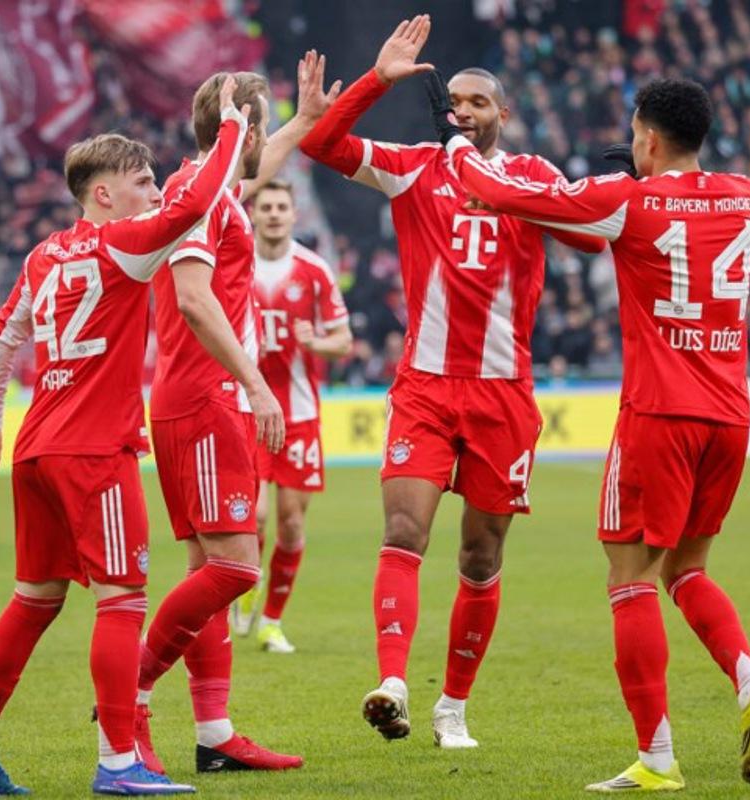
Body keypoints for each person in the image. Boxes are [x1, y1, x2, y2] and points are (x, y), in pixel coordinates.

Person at [429, 73, 750, 791]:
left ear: (647, 138)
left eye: (633, 134)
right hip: (730, 415)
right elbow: (685, 212)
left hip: (659, 414)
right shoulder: (749, 197)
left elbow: (508, 196)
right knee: (688, 570)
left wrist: (459, 148)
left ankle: (657, 759)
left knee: (629, 581)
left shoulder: (627, 200)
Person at [0, 78, 250, 797]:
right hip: (93, 453)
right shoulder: (123, 247)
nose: (152, 193)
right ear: (102, 194)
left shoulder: (44, 256)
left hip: (38, 448)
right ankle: (118, 765)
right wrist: (230, 129)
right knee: (122, 600)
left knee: (33, 600)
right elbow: (197, 203)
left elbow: (2, 333)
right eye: (140, 182)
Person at [299, 16, 604, 749]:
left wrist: (509, 191)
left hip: (503, 395)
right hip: (427, 388)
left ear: (503, 114)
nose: (460, 111)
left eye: (476, 103)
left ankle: (453, 708)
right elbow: (319, 144)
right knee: (404, 531)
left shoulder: (531, 177)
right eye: (454, 103)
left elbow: (591, 234)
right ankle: (395, 684)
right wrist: (376, 79)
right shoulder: (413, 166)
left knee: (481, 556)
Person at [134, 52, 339, 775]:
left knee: (208, 574)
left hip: (200, 398)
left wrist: (307, 122)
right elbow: (194, 300)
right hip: (206, 397)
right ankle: (131, 684)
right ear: (240, 126)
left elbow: (251, 166)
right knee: (238, 569)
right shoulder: (197, 189)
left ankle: (214, 732)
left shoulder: (214, 184)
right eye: (265, 122)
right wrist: (254, 383)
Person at [229, 179, 353, 653]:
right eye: (267, 207)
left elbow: (342, 341)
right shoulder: (236, 264)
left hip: (299, 413)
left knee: (292, 523)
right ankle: (245, 590)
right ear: (254, 214)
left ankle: (271, 622)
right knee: (255, 517)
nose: (276, 214)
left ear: (294, 214)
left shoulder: (315, 270)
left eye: (283, 206)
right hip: (251, 408)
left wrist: (314, 341)